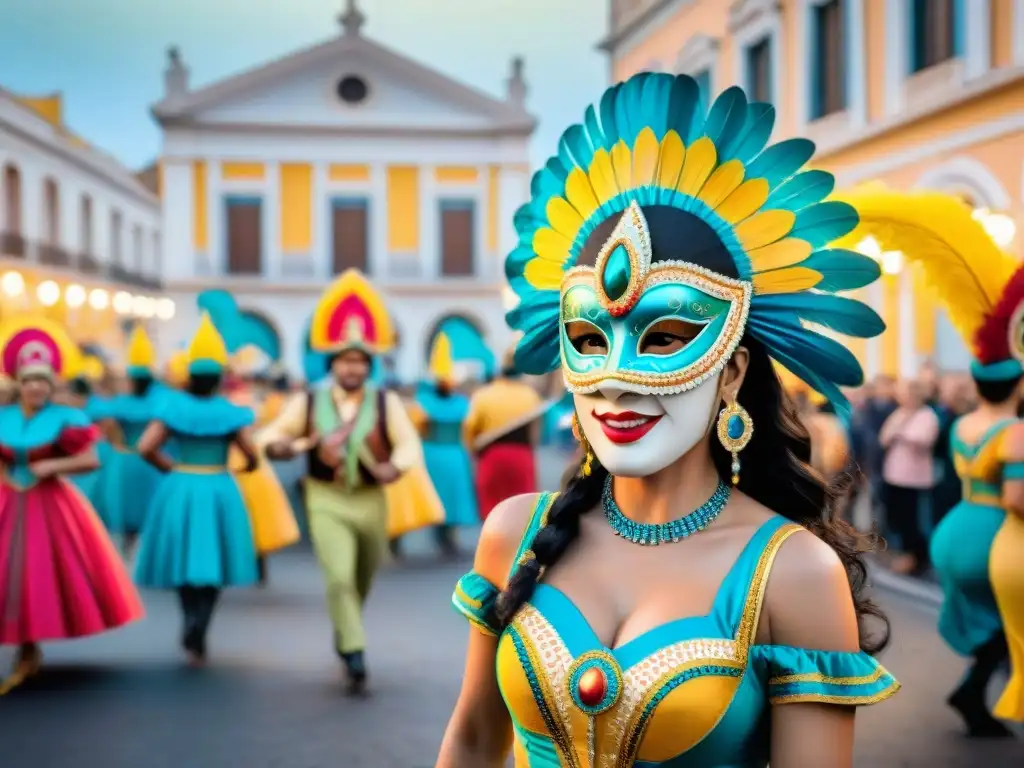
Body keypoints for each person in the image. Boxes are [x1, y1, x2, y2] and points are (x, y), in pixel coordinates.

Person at [438, 72, 899, 767]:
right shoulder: (515, 536)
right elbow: (474, 740)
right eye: (590, 341)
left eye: (664, 338)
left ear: (734, 372)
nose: (617, 378)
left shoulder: (793, 574)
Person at [839, 187, 1024, 736]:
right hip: (995, 535)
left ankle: (981, 690)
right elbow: (1016, 497)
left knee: (996, 624)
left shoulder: (967, 423)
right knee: (1009, 625)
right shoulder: (1014, 431)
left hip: (957, 528)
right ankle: (976, 692)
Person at [260, 269, 423, 695]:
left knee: (363, 576)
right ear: (332, 364)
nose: (351, 367)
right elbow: (273, 434)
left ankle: (344, 628)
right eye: (344, 360)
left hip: (371, 499)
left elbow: (408, 446)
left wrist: (397, 467)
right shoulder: (309, 400)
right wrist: (280, 446)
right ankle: (354, 651)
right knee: (338, 576)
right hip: (325, 497)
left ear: (368, 367)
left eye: (359, 361)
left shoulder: (387, 401)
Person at [0, 317, 144, 694]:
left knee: (36, 573)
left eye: (42, 382)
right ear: (19, 383)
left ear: (51, 386)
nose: (35, 387)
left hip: (49, 503)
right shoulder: (4, 417)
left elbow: (91, 459)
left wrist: (53, 465)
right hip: (8, 497)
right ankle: (24, 645)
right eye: (29, 380)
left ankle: (28, 647)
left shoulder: (68, 418)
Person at [133, 313, 260, 666]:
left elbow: (146, 447)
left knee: (184, 559)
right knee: (213, 561)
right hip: (218, 484)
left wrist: (172, 467)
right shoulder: (231, 412)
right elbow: (251, 454)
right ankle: (201, 624)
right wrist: (245, 466)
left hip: (182, 485)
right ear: (219, 376)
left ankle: (189, 618)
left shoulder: (172, 407)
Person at [97, 324, 166, 552]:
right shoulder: (161, 402)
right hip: (147, 460)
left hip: (128, 459)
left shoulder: (122, 403)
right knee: (144, 503)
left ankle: (130, 544)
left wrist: (118, 443)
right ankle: (140, 544)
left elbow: (107, 427)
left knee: (130, 503)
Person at [463, 345, 547, 520]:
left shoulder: (483, 395)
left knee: (491, 511)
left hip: (492, 457)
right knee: (522, 510)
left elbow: (470, 427)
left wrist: (473, 452)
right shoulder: (530, 395)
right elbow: (534, 435)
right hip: (521, 456)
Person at [416, 332, 479, 556]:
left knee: (437, 496)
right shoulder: (462, 404)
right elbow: (468, 428)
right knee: (452, 497)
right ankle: (448, 536)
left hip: (431, 453)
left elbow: (420, 429)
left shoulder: (423, 403)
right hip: (454, 454)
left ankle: (440, 534)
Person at [878, 379, 939, 575]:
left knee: (911, 520)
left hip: (914, 479)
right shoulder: (900, 413)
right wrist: (900, 430)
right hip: (894, 475)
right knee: (895, 516)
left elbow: (923, 440)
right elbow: (884, 437)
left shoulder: (927, 415)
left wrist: (901, 433)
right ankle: (908, 553)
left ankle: (916, 556)